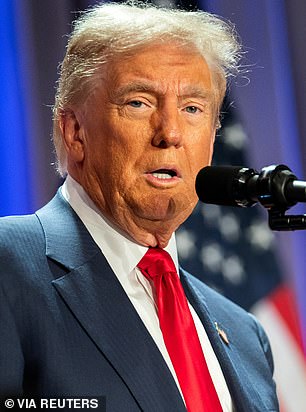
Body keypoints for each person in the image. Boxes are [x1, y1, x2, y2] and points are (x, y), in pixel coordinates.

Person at [0, 2, 279, 411]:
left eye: (192, 109)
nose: (170, 132)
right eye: (139, 103)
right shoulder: (10, 267)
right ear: (75, 131)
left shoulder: (246, 336)